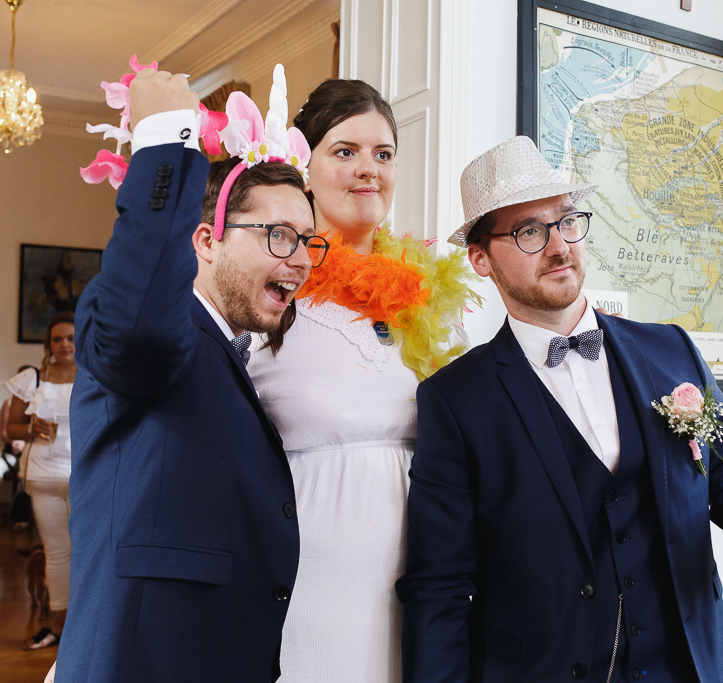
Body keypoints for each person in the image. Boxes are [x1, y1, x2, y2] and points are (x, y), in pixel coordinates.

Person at [396, 136, 723, 682]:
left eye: (566, 221)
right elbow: (440, 587)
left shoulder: (671, 350)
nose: (559, 247)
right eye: (530, 231)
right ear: (480, 258)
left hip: (691, 667)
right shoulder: (455, 400)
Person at [50, 66, 321, 682]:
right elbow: (136, 322)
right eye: (279, 236)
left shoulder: (229, 352)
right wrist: (163, 140)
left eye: (308, 241)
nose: (302, 261)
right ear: (205, 240)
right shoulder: (158, 327)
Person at [247, 78, 478, 682]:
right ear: (306, 166)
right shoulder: (271, 288)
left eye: (383, 154)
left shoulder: (431, 298)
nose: (367, 170)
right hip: (303, 583)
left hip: (424, 580)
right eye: (344, 151)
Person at [4, 313, 76, 649]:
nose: (65, 345)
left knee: (85, 553)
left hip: (84, 476)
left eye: (71, 338)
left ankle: (84, 628)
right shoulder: (31, 377)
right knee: (57, 553)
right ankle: (57, 629)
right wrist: (32, 428)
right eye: (57, 339)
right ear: (48, 344)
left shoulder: (94, 375)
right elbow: (11, 428)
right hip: (43, 477)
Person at [0, 364, 37, 533]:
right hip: (9, 449)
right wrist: (13, 441)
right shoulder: (9, 402)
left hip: (33, 449)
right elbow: (4, 433)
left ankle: (23, 515)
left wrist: (25, 443)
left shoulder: (42, 399)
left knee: (29, 469)